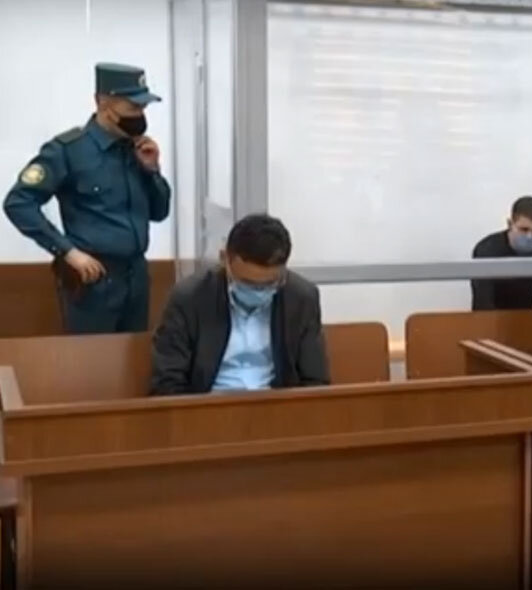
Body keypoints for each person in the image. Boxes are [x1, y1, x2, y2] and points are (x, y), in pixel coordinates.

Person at [3, 63, 171, 334]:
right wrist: (67, 251)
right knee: (92, 357)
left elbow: (160, 212)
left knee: (134, 355)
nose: (140, 115)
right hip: (94, 278)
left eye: (143, 108)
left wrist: (153, 171)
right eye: (133, 107)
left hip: (137, 275)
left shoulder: (136, 148)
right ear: (103, 103)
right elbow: (18, 203)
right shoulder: (68, 150)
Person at [150, 214, 330, 395]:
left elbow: (315, 380)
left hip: (276, 404)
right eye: (246, 283)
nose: (258, 292)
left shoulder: (301, 298)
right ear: (224, 259)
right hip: (208, 404)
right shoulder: (189, 298)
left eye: (269, 284)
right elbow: (168, 382)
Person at [471, 196, 532, 310]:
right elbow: (482, 303)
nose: (530, 236)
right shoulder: (487, 250)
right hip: (493, 313)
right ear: (509, 224)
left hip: (526, 311)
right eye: (524, 229)